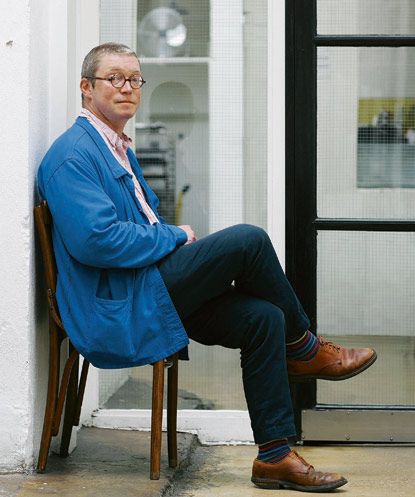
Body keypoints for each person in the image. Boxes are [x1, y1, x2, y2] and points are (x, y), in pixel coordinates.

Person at [37, 43, 377, 492]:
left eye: (135, 79)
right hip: (120, 302)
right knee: (248, 241)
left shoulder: (115, 146)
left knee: (264, 318)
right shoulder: (73, 156)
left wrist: (168, 239)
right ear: (86, 88)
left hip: (144, 286)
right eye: (114, 79)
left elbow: (133, 227)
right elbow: (97, 242)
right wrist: (175, 236)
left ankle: (274, 456)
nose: (127, 88)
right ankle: (304, 348)